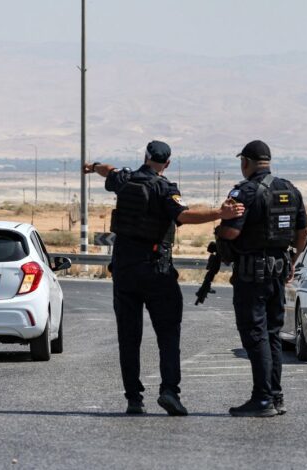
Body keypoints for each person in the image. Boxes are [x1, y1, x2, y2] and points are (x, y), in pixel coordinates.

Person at [84, 140, 244, 416]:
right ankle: (170, 391)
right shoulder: (165, 189)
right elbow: (185, 215)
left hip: (124, 270)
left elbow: (108, 170)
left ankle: (134, 398)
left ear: (145, 157)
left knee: (128, 336)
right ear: (167, 164)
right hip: (156, 271)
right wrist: (220, 213)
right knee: (168, 334)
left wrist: (93, 166)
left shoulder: (125, 179)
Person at [216, 140, 307, 417]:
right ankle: (276, 396)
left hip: (252, 273)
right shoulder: (289, 189)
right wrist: (291, 259)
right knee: (272, 334)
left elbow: (231, 233)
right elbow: (302, 231)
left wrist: (220, 227)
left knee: (255, 335)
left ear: (246, 162)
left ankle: (263, 399)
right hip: (279, 269)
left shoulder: (244, 192)